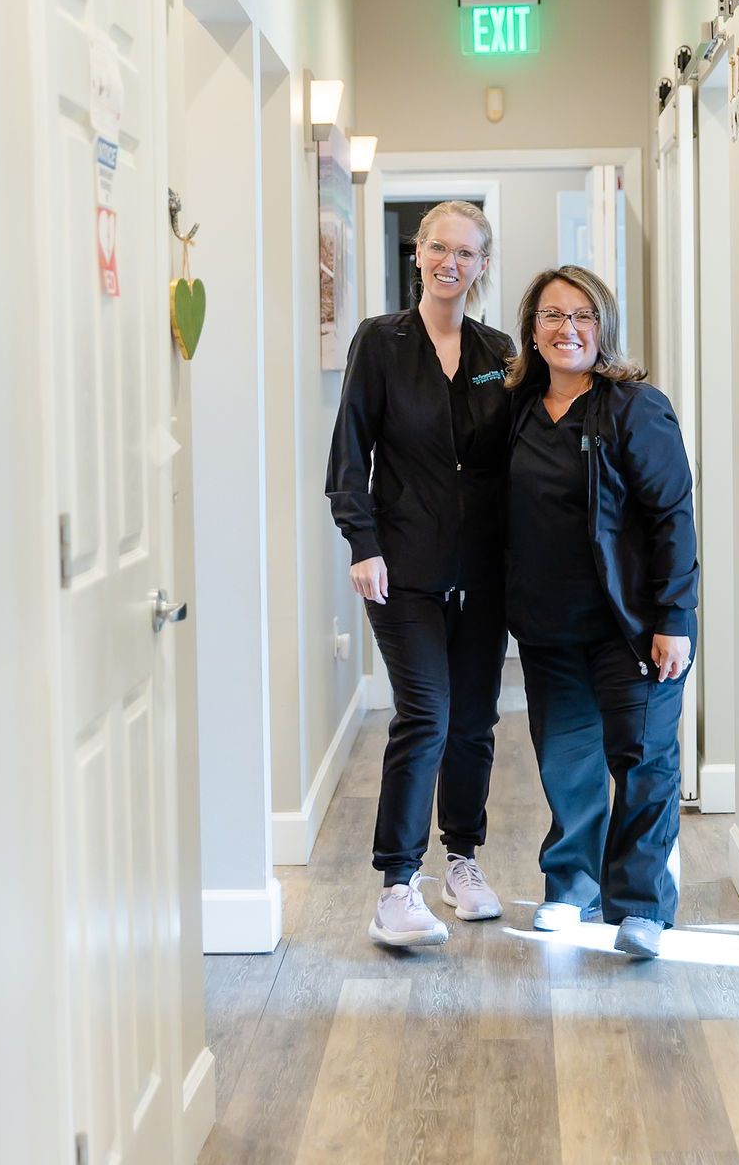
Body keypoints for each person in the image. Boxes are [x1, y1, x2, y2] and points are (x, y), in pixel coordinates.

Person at [326, 201, 515, 947]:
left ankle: (461, 861)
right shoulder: (380, 341)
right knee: (427, 715)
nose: (451, 262)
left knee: (473, 722)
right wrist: (361, 542)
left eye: (467, 252)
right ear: (419, 254)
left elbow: (520, 455)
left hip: (483, 570)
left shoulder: (499, 349)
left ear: (482, 265)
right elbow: (349, 451)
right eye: (440, 247)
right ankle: (396, 886)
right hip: (401, 567)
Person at [505, 265, 699, 959]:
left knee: (643, 759)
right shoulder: (518, 407)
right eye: (552, 316)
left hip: (635, 626)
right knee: (568, 762)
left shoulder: (634, 407)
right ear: (532, 328)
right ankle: (573, 883)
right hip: (548, 627)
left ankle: (642, 903)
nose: (568, 329)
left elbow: (673, 515)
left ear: (603, 327)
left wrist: (675, 617)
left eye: (583, 315)